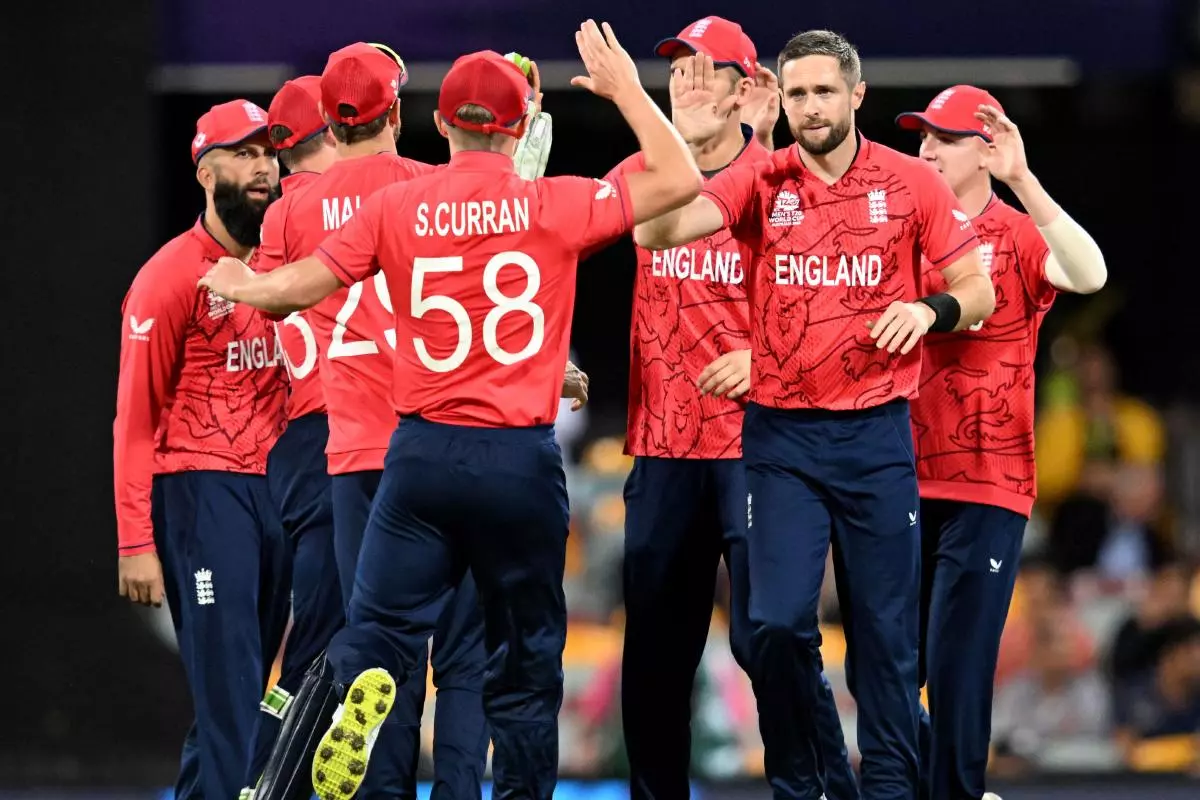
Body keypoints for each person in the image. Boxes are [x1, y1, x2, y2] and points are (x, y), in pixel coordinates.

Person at [197, 20, 702, 800]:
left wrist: (244, 283)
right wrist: (628, 90)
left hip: (418, 456)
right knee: (520, 658)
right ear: (522, 127)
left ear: (438, 123)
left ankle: (364, 699)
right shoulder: (552, 203)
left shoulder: (399, 205)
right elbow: (678, 177)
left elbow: (302, 287)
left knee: (377, 629)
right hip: (517, 457)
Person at [635, 29, 995, 800]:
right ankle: (806, 790)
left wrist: (929, 310)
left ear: (856, 95)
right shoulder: (761, 180)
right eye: (796, 93)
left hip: (875, 441)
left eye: (824, 91)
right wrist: (681, 147)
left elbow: (979, 289)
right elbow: (656, 230)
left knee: (887, 646)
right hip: (781, 442)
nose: (810, 107)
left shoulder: (909, 184)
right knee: (773, 627)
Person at [605, 16, 857, 800]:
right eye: (676, 68)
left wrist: (768, 358)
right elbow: (550, 250)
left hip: (762, 445)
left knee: (770, 640)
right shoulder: (640, 172)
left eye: (704, 69)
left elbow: (841, 304)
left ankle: (813, 790)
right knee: (653, 657)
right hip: (665, 449)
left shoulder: (787, 183)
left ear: (748, 88)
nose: (685, 80)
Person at [893, 84, 1107, 800]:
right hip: (895, 478)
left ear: (986, 149)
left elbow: (1090, 273)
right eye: (921, 137)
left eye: (943, 139)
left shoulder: (1016, 235)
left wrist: (1025, 180)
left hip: (988, 484)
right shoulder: (897, 227)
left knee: (955, 671)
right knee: (883, 668)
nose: (924, 150)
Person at [113, 99, 291, 800]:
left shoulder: (295, 266)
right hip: (202, 495)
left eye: (269, 153)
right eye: (243, 154)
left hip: (280, 493)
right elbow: (134, 416)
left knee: (246, 696)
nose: (262, 167)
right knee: (230, 696)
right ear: (204, 170)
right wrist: (135, 539)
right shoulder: (169, 275)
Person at [239, 73, 343, 800]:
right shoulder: (382, 195)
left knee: (321, 633)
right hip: (360, 435)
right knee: (333, 640)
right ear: (337, 131)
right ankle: (271, 786)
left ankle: (271, 775)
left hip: (300, 445)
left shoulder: (276, 222)